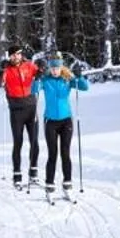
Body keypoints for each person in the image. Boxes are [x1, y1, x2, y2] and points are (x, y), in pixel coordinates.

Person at [36, 55, 90, 195]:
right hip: (50, 122)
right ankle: (49, 183)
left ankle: (67, 183)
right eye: (53, 68)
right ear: (50, 68)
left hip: (66, 121)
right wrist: (37, 77)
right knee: (52, 154)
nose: (55, 71)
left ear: (61, 68)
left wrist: (80, 76)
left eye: (57, 68)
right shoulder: (46, 80)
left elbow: (84, 87)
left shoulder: (67, 80)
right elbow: (33, 89)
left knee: (65, 153)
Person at [1, 46, 41, 187]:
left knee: (34, 142)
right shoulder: (6, 70)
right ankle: (17, 175)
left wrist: (42, 67)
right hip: (16, 110)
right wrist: (0, 71)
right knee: (18, 143)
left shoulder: (29, 66)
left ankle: (33, 173)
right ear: (9, 57)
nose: (16, 57)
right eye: (13, 55)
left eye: (18, 54)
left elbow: (42, 73)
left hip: (31, 108)